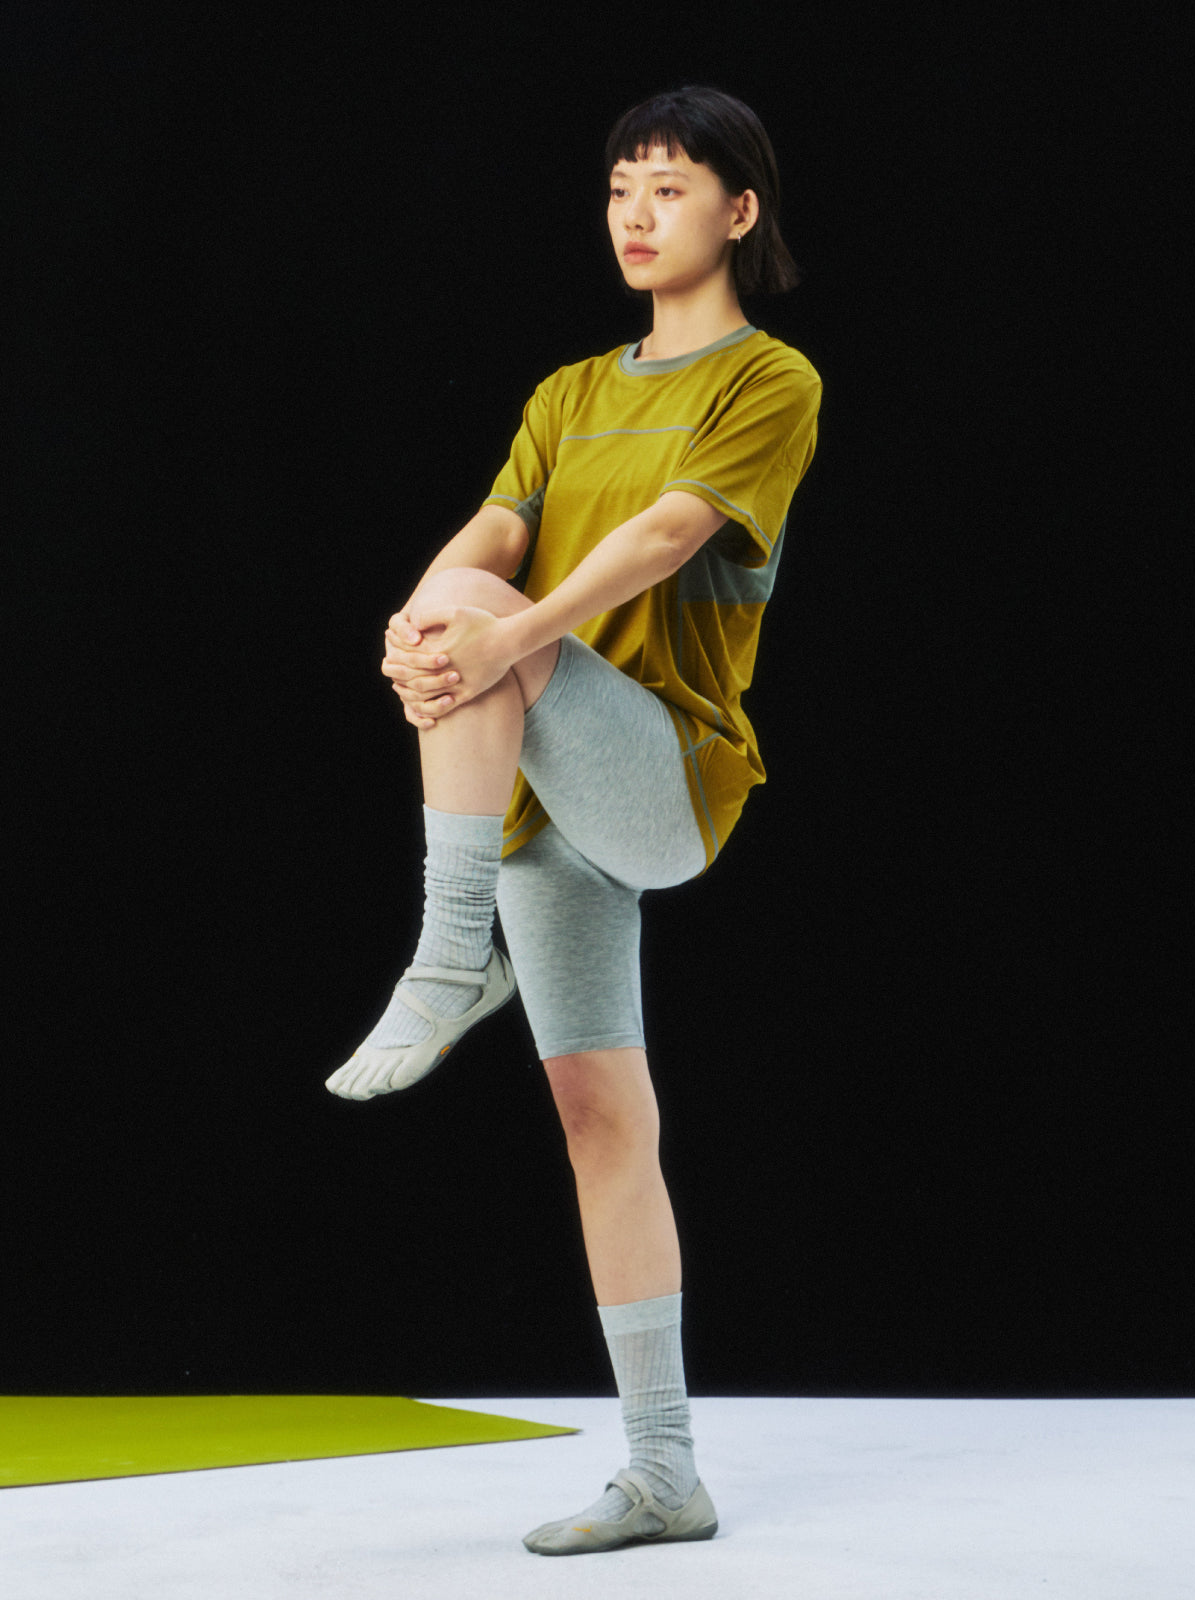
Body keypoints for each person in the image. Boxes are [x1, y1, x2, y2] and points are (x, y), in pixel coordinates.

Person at [325, 84, 822, 1556]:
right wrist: (424, 621)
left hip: (664, 770)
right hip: (541, 788)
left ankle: (450, 949)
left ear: (739, 209)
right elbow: (494, 531)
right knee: (603, 1119)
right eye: (619, 187)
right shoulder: (566, 391)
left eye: (669, 186)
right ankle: (665, 1472)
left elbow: (670, 533)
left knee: (481, 611)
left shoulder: (770, 379)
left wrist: (500, 630)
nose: (635, 213)